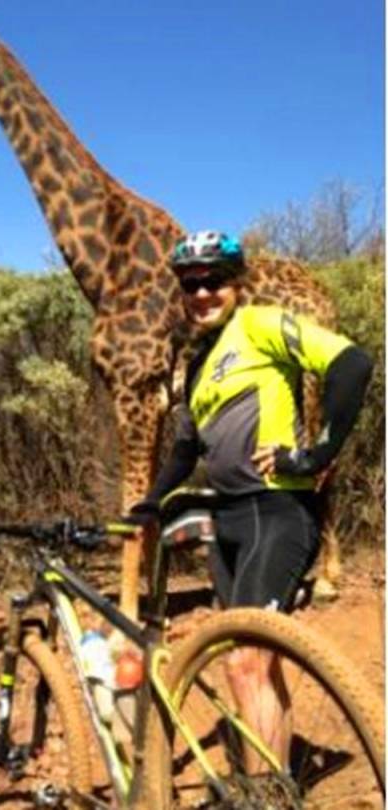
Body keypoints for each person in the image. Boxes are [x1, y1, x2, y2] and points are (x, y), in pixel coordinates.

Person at [128, 230, 373, 772]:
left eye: (213, 280)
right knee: (258, 665)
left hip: (276, 513)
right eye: (190, 284)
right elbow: (186, 448)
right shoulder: (198, 364)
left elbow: (350, 363)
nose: (201, 293)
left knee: (243, 663)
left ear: (235, 283)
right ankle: (276, 778)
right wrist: (151, 499)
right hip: (228, 523)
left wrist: (317, 453)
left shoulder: (259, 325)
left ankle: (265, 794)